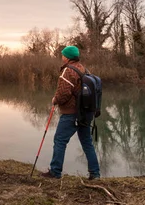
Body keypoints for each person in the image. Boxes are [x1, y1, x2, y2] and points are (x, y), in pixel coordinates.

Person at [41, 45, 100, 179]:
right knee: (87, 142)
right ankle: (95, 173)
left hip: (71, 113)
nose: (61, 56)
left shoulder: (67, 71)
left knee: (60, 140)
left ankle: (55, 172)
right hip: (85, 113)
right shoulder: (84, 69)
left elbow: (63, 93)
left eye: (63, 54)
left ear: (67, 57)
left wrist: (55, 99)